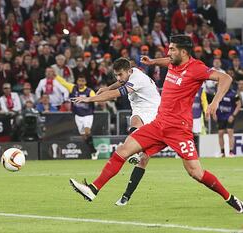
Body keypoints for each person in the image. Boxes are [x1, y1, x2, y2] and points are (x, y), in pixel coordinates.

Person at [69, 35, 243, 213]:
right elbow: (166, 61)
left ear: (183, 52)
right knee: (122, 150)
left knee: (195, 173)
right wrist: (152, 62)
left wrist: (215, 102)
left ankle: (230, 198)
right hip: (158, 124)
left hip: (178, 129)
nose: (169, 52)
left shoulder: (196, 68)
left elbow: (226, 79)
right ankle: (93, 189)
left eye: (172, 49)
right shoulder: (173, 62)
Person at [72, 57, 160, 205]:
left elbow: (116, 94)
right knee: (141, 155)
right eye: (116, 75)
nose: (118, 78)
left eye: (120, 74)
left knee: (136, 145)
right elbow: (119, 83)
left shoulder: (137, 79)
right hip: (141, 110)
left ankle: (123, 193)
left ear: (129, 71)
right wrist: (108, 87)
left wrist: (90, 99)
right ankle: (121, 195)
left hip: (155, 112)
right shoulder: (132, 72)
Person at [56, 74, 99, 159]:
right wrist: (55, 76)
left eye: (82, 81)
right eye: (79, 81)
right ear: (77, 81)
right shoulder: (73, 88)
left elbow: (95, 98)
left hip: (88, 114)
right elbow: (63, 82)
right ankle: (93, 150)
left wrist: (94, 100)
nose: (81, 83)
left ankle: (93, 152)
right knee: (83, 136)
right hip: (78, 115)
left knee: (87, 132)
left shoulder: (89, 91)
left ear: (85, 82)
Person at [216, 83, 241, 157]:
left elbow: (239, 104)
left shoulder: (233, 94)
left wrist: (233, 115)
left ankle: (231, 152)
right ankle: (222, 152)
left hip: (229, 116)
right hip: (220, 116)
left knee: (230, 132)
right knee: (220, 133)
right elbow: (215, 103)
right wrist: (214, 113)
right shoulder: (219, 93)